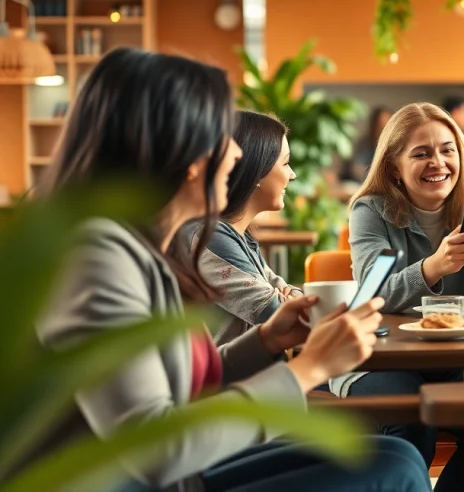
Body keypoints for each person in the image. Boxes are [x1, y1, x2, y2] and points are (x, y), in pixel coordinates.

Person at [31, 48, 431, 492]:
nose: (236, 155)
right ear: (177, 149)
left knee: (396, 456)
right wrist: (308, 369)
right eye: (219, 135)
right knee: (392, 466)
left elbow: (178, 384)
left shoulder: (144, 249)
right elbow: (155, 450)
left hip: (182, 475)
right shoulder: (95, 261)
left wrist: (266, 341)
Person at [342, 102, 464, 492]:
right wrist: (434, 267)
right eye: (421, 153)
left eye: (447, 150)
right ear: (394, 166)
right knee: (410, 417)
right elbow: (373, 295)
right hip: (383, 359)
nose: (437, 163)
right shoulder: (370, 209)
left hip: (462, 353)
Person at [190, 110, 300, 345]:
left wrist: (289, 297)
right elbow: (279, 315)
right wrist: (285, 301)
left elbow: (286, 292)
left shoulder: (241, 237)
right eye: (286, 163)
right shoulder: (212, 238)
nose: (292, 175)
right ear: (257, 170)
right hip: (233, 369)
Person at [343, 106, 392, 183]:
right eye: (380, 126)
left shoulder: (395, 147)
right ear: (373, 126)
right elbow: (356, 169)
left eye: (386, 126)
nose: (383, 130)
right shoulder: (365, 144)